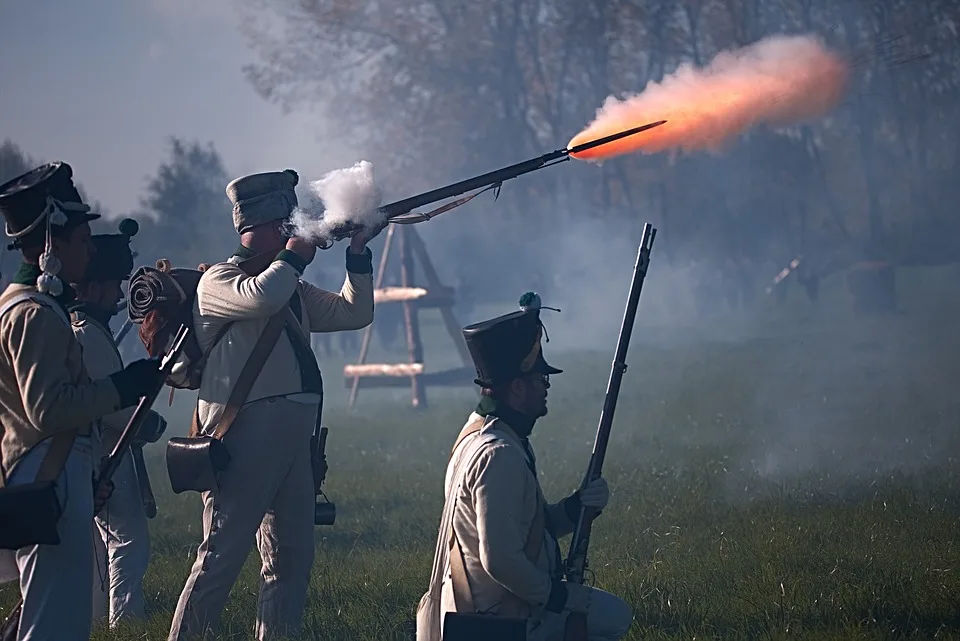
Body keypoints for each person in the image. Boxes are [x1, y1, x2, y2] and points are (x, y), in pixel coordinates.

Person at [167, 168, 386, 641]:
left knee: (289, 561)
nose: (296, 228)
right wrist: (295, 256)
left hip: (293, 438)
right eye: (288, 223)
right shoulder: (221, 281)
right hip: (243, 433)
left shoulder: (290, 285)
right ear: (266, 226)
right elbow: (263, 296)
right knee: (221, 557)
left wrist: (358, 253)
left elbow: (355, 312)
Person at [0, 162, 163, 641]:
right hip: (46, 477)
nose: (89, 251)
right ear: (53, 243)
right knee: (54, 625)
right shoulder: (33, 313)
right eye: (82, 240)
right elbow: (48, 411)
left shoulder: (26, 305)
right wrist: (124, 388)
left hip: (51, 473)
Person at [416, 292, 633, 641]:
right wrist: (558, 596)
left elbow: (530, 528)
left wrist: (576, 509)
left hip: (486, 608)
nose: (546, 388)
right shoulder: (498, 454)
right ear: (517, 387)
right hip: (497, 620)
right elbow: (500, 560)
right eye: (540, 380)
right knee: (615, 618)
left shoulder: (482, 434)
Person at [67, 217, 168, 627]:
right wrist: (150, 423)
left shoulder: (88, 329)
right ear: (93, 287)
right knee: (127, 542)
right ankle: (124, 625)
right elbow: (113, 405)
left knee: (98, 548)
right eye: (114, 288)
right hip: (105, 451)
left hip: (96, 450)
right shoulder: (87, 334)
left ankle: (95, 624)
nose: (118, 297)